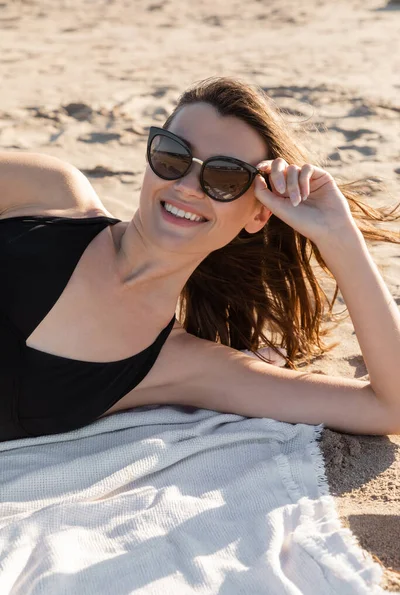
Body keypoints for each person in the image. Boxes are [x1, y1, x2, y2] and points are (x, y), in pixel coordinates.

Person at [0, 76, 399, 442]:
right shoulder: (47, 192)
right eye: (173, 157)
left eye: (224, 178)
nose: (188, 188)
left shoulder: (180, 367)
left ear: (260, 212)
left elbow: (389, 407)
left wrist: (339, 236)